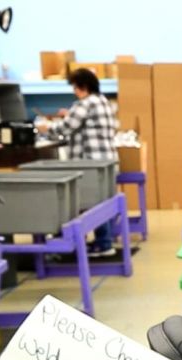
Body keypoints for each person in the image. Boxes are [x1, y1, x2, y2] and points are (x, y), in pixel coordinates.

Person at [35, 68, 118, 257]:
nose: (74, 91)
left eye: (75, 87)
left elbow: (65, 127)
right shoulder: (103, 101)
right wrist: (69, 113)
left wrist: (44, 128)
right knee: (101, 201)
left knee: (92, 202)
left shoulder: (84, 104)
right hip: (107, 160)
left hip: (90, 162)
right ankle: (104, 241)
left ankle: (103, 244)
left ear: (83, 86)